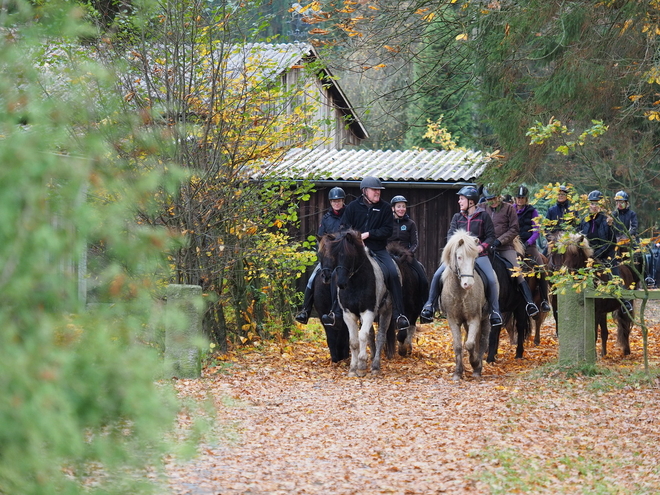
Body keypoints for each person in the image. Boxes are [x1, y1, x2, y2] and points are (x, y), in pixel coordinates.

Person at [321, 176, 410, 335]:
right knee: (336, 273)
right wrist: (355, 238)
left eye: (379, 190)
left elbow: (387, 231)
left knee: (393, 273)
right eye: (374, 190)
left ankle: (399, 315)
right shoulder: (353, 207)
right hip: (355, 251)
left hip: (378, 249)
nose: (377, 193)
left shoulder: (384, 208)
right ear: (364, 191)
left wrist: (369, 234)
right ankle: (335, 312)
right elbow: (344, 227)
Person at [420, 186, 503, 326]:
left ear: (471, 201)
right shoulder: (457, 217)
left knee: (491, 279)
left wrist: (481, 247)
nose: (459, 201)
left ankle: (495, 312)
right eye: (459, 199)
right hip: (459, 258)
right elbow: (450, 235)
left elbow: (490, 236)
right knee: (437, 275)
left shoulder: (484, 216)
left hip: (479, 256)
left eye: (461, 198)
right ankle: (430, 306)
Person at [483, 187, 540, 317]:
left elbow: (514, 229)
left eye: (494, 198)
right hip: (486, 247)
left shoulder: (509, 209)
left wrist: (500, 241)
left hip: (505, 247)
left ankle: (530, 303)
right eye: (489, 199)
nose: (492, 202)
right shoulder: (482, 208)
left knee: (517, 270)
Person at [294, 187, 346, 324]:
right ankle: (305, 311)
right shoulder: (326, 218)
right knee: (312, 279)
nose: (336, 203)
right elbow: (321, 237)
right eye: (334, 201)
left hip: (343, 257)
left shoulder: (349, 215)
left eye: (339, 201)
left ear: (342, 201)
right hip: (329, 257)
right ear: (330, 202)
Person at [579, 190, 633, 313]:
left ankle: (624, 300)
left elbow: (611, 241)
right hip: (589, 255)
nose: (594, 206)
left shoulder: (608, 220)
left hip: (606, 254)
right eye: (592, 203)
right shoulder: (584, 221)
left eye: (597, 203)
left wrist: (596, 254)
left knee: (615, 273)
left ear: (601, 205)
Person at [514, 185, 551, 312]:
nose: (520, 200)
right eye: (518, 197)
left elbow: (536, 231)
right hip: (514, 245)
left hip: (529, 246)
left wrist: (528, 242)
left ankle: (545, 300)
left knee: (540, 268)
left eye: (522, 198)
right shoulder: (511, 210)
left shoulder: (532, 211)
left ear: (526, 199)